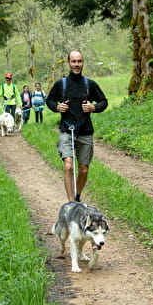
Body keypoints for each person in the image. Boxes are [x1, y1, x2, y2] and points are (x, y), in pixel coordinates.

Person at [46, 50, 108, 202]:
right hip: (66, 130)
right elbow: (49, 100)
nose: (76, 65)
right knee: (68, 166)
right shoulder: (61, 84)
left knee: (84, 169)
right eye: (74, 61)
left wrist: (94, 108)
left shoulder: (89, 84)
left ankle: (77, 196)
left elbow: (103, 101)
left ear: (83, 63)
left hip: (85, 130)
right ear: (69, 63)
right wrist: (57, 107)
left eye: (79, 61)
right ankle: (70, 203)